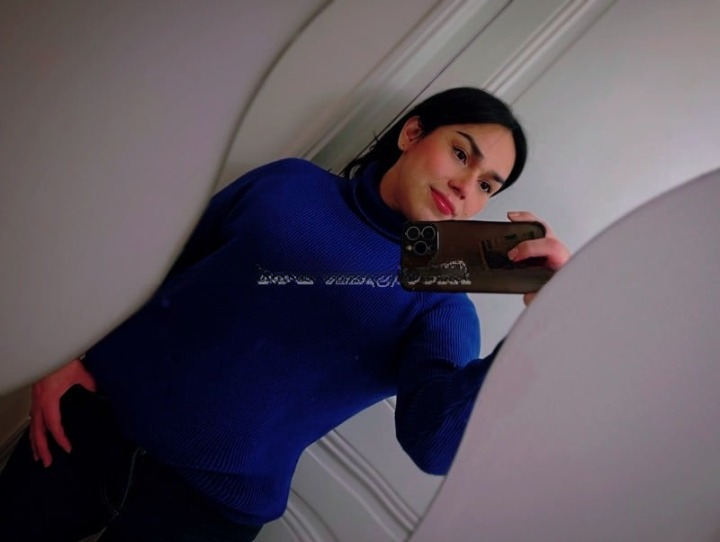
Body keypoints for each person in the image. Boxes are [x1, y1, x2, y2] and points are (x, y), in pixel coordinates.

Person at [0, 87, 570, 541]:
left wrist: (543, 326)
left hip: (202, 514)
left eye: (487, 184)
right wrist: (64, 352)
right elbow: (160, 264)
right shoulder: (290, 184)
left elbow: (434, 446)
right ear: (412, 133)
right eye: (461, 154)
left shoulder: (442, 303)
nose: (466, 186)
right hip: (84, 430)